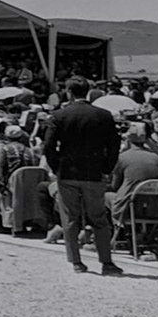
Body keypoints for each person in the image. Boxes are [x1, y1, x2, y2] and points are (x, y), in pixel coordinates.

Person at [41, 77, 125, 276]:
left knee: (70, 218)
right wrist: (107, 167)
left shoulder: (59, 115)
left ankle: (76, 261)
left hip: (68, 172)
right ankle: (106, 261)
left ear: (69, 92)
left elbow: (48, 146)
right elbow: (114, 145)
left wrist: (56, 166)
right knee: (99, 218)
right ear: (87, 92)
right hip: (94, 172)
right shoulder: (104, 116)